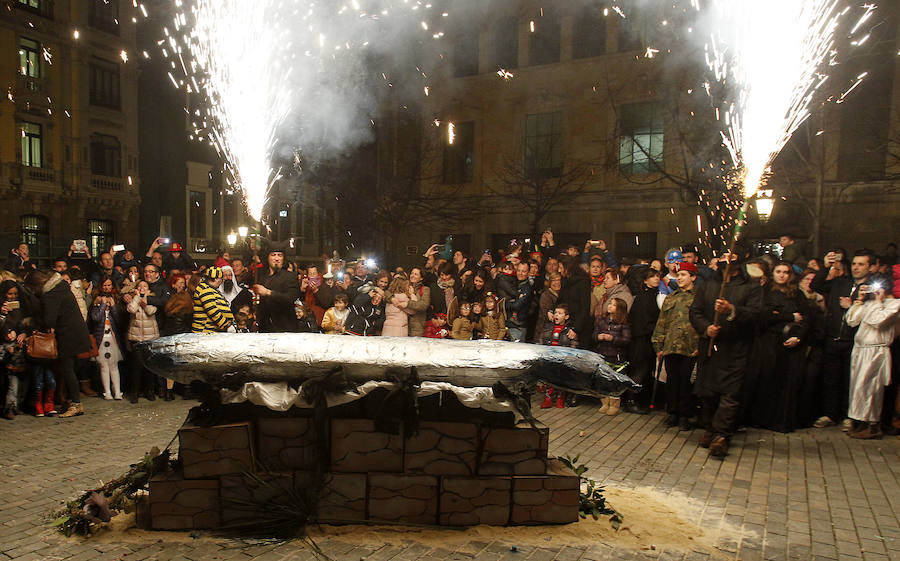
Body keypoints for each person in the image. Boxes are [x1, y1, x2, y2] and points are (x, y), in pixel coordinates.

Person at [689, 240, 763, 458]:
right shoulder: (708, 285)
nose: (726, 262)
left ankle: (722, 435)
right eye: (723, 258)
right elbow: (695, 312)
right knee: (708, 392)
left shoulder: (750, 287)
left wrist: (732, 310)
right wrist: (706, 328)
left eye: (730, 258)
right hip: (712, 347)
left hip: (736, 347)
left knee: (730, 394)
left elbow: (757, 315)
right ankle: (710, 428)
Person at [810, 249, 871, 429]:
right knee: (830, 379)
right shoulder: (840, 283)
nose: (857, 268)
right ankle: (829, 414)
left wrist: (853, 306)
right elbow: (816, 285)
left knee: (849, 380)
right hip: (832, 338)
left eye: (861, 264)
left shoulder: (871, 289)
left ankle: (848, 416)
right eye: (854, 264)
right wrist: (825, 267)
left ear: (869, 267)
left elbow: (873, 314)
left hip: (854, 341)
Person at [748, 262, 811, 432]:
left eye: (785, 272)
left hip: (792, 346)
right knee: (768, 379)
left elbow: (806, 318)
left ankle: (782, 421)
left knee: (788, 383)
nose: (782, 275)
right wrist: (789, 316)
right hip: (769, 344)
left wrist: (798, 336)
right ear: (773, 273)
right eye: (778, 271)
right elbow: (764, 316)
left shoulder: (797, 295)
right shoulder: (765, 293)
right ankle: (763, 419)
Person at [27, 270, 93, 418]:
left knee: (67, 370)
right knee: (69, 370)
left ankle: (76, 404)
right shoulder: (61, 286)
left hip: (67, 335)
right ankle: (72, 401)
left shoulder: (51, 294)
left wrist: (34, 322)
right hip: (76, 333)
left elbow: (49, 320)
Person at [844, 283, 900, 439]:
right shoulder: (869, 302)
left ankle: (873, 425)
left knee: (871, 387)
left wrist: (878, 301)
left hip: (876, 351)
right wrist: (860, 301)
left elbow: (877, 321)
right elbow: (852, 320)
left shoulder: (896, 304)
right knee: (858, 387)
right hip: (860, 349)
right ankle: (860, 422)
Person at [652, 262, 700, 430]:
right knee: (672, 381)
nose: (679, 278)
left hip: (689, 347)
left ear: (693, 277)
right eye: (678, 275)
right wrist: (658, 344)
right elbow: (662, 322)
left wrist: (700, 344)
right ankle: (672, 413)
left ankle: (685, 415)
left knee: (686, 382)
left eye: (684, 275)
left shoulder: (699, 298)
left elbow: (702, 323)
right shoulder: (671, 297)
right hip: (671, 345)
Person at [626, 267, 661, 414]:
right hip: (642, 340)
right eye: (652, 277)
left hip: (647, 338)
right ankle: (631, 400)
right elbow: (643, 320)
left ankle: (640, 400)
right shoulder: (644, 297)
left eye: (658, 276)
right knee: (640, 370)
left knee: (646, 371)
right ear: (646, 280)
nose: (656, 279)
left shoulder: (653, 295)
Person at [593, 298, 632, 416]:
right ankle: (604, 402)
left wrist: (613, 338)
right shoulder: (601, 321)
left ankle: (614, 404)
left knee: (614, 381)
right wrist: (598, 337)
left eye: (613, 305)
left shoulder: (623, 324)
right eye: (609, 303)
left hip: (616, 356)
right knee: (603, 380)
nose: (609, 306)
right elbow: (594, 334)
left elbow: (626, 340)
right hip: (603, 354)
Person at [89, 277, 125, 401]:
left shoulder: (116, 300)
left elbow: (119, 320)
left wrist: (113, 306)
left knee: (114, 365)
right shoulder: (97, 301)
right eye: (105, 285)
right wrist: (102, 305)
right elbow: (95, 318)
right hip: (101, 337)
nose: (107, 288)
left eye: (109, 285)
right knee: (104, 366)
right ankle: (107, 391)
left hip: (113, 338)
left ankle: (117, 391)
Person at [253, 243, 300, 333]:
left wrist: (268, 293)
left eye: (280, 255)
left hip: (285, 328)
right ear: (268, 258)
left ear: (283, 259)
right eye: (273, 255)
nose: (276, 258)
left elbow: (291, 298)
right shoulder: (263, 277)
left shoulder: (290, 276)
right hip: (265, 328)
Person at [539, 303, 579, 409]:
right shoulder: (547, 328)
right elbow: (541, 341)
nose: (556, 315)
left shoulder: (569, 331)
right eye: (555, 312)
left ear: (566, 317)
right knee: (549, 379)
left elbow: (574, 345)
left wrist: (569, 359)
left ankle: (560, 398)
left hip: (562, 359)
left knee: (561, 379)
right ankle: (548, 398)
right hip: (549, 358)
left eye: (560, 313)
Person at [191, 266, 235, 334]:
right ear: (216, 279)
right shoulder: (205, 289)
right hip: (204, 331)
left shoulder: (211, 289)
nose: (221, 282)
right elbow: (212, 310)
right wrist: (226, 325)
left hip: (210, 332)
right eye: (221, 279)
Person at [505, 262, 533, 342]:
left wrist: (503, 304)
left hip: (518, 327)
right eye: (519, 271)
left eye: (523, 271)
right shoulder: (513, 283)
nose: (520, 273)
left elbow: (516, 306)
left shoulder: (527, 288)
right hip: (507, 324)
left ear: (528, 273)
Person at [406, 267, 431, 337]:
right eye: (412, 273)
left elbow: (423, 305)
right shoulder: (404, 287)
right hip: (403, 326)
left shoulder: (425, 289)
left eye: (416, 274)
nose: (412, 275)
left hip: (417, 327)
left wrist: (407, 304)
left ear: (421, 278)